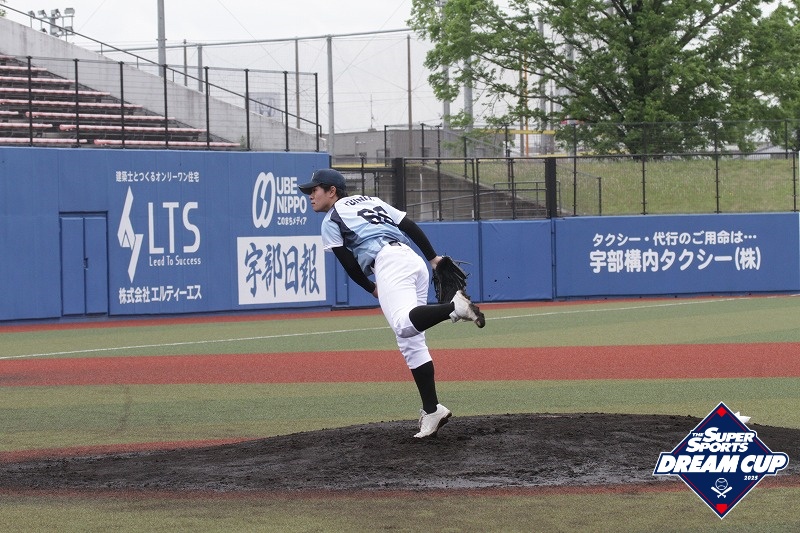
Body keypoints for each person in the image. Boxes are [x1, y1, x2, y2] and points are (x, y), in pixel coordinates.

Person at [300, 168, 485, 438]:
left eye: (314, 190)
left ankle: (454, 308)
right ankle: (432, 410)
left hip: (388, 263)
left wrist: (371, 287)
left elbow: (348, 263)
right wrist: (433, 259)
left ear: (332, 191)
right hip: (412, 259)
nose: (310, 195)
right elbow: (408, 225)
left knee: (402, 324)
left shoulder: (331, 220)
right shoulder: (370, 200)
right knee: (411, 342)